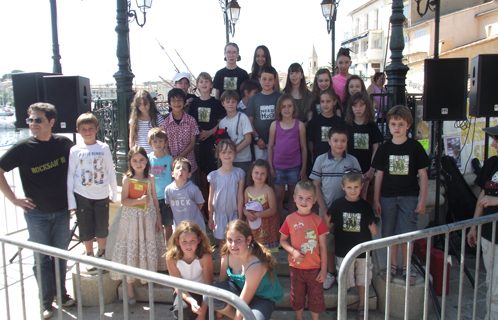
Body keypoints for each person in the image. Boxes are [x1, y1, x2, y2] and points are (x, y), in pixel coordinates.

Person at [0, 102, 75, 318]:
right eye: (30, 120)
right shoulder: (22, 148)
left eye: (38, 119)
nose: (33, 123)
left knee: (60, 256)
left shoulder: (64, 144)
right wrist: (14, 199)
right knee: (42, 259)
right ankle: (45, 302)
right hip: (36, 214)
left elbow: (81, 166)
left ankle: (62, 295)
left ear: (51, 122)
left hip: (62, 212)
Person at [372, 105, 430, 285]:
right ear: (388, 125)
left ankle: (406, 266)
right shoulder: (384, 148)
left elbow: (423, 174)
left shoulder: (415, 147)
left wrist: (422, 200)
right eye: (393, 124)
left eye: (401, 124)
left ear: (408, 126)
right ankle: (392, 264)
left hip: (409, 197)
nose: (396, 128)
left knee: (407, 233)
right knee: (389, 233)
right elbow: (379, 175)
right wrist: (376, 199)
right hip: (388, 197)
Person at [110, 146, 166, 305]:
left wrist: (158, 218)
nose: (139, 163)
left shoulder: (151, 178)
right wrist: (138, 201)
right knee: (132, 249)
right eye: (135, 160)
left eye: (141, 159)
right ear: (130, 162)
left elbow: (154, 198)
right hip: (132, 219)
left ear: (146, 160)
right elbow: (125, 201)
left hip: (148, 217)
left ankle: (146, 280)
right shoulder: (127, 178)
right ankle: (129, 287)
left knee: (146, 247)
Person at [309, 125, 361, 290]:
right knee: (329, 242)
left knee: (348, 241)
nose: (339, 144)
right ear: (329, 141)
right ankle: (330, 272)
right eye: (336, 140)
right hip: (328, 209)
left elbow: (359, 183)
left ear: (347, 142)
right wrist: (324, 209)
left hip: (349, 210)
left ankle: (346, 274)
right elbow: (316, 185)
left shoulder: (352, 161)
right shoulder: (321, 160)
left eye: (343, 141)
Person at [67, 112, 118, 269]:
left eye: (90, 128)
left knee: (102, 227)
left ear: (96, 129)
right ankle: (89, 255)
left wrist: (114, 192)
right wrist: (71, 201)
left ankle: (101, 254)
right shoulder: (75, 150)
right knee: (86, 227)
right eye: (83, 129)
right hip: (82, 195)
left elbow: (110, 171)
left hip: (101, 195)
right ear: (78, 130)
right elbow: (70, 174)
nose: (87, 132)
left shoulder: (103, 148)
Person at [205, 220, 284, 320]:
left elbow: (244, 301)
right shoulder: (226, 254)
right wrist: (219, 316)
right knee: (209, 295)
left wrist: (238, 318)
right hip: (238, 291)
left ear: (248, 240)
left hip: (261, 298)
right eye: (229, 240)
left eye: (238, 239)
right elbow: (222, 283)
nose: (233, 245)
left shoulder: (255, 264)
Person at [327, 170, 378, 320]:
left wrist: (373, 227)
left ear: (362, 186)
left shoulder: (365, 206)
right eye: (349, 187)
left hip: (363, 252)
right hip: (343, 251)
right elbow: (328, 223)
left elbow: (373, 229)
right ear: (343, 187)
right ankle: (342, 306)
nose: (353, 190)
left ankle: (362, 306)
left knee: (363, 280)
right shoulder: (338, 204)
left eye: (356, 187)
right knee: (344, 280)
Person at [280, 180, 328, 320]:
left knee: (316, 297)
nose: (304, 201)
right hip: (296, 267)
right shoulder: (289, 219)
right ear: (294, 198)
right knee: (297, 297)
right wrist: (292, 251)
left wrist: (324, 270)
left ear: (314, 200)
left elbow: (323, 246)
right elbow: (282, 240)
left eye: (308, 198)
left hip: (315, 268)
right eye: (300, 197)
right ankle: (299, 318)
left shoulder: (318, 221)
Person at [467, 123, 498, 320]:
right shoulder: (492, 162)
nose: (494, 143)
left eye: (497, 139)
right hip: (488, 232)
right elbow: (483, 195)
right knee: (491, 281)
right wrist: (473, 226)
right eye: (495, 139)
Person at [268, 94, 307, 219]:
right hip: (278, 166)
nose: (286, 109)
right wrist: (271, 167)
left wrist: (303, 168)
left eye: (289, 106)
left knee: (293, 196)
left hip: (294, 166)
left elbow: (304, 148)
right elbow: (270, 147)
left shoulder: (299, 125)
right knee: (278, 196)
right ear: (279, 109)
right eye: (283, 106)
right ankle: (277, 223)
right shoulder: (275, 125)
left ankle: (291, 223)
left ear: (294, 108)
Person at [166, 220, 214, 320]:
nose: (188, 245)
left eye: (192, 241)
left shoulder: (205, 257)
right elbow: (178, 286)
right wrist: (191, 300)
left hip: (202, 292)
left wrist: (201, 316)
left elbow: (208, 286)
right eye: (184, 241)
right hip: (183, 291)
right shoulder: (171, 258)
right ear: (177, 241)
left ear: (199, 240)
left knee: (203, 313)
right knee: (182, 310)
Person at [345, 92, 383, 201]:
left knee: (363, 194)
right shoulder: (347, 126)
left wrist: (372, 169)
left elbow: (376, 148)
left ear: (367, 106)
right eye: (355, 105)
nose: (358, 108)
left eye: (361, 105)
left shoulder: (371, 126)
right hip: (351, 167)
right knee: (350, 194)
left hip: (367, 167)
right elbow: (345, 148)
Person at [208, 139, 245, 247]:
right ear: (218, 154)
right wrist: (210, 217)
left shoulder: (239, 173)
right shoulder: (213, 175)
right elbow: (211, 198)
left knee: (236, 242)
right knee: (223, 243)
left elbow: (240, 196)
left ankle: (234, 264)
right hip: (219, 215)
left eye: (230, 151)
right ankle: (224, 264)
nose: (227, 155)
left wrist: (240, 217)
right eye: (223, 152)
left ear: (235, 153)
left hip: (234, 213)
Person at [189, 72, 226, 176]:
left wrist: (210, 132)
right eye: (201, 82)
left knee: (213, 168)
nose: (204, 84)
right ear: (197, 85)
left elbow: (221, 121)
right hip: (198, 142)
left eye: (206, 81)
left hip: (213, 141)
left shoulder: (216, 103)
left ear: (211, 85)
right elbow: (191, 121)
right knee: (200, 170)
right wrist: (198, 133)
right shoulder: (194, 103)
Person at [162, 88, 200, 181]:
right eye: (174, 101)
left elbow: (192, 143)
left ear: (184, 102)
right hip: (172, 166)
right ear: (169, 103)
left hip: (188, 164)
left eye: (179, 100)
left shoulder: (191, 120)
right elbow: (165, 145)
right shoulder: (165, 123)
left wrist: (179, 157)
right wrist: (172, 160)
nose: (177, 103)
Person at [247, 66, 282, 161]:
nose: (267, 82)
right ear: (259, 80)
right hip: (259, 143)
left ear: (275, 80)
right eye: (264, 79)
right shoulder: (254, 99)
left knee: (276, 169)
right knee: (261, 170)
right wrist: (257, 138)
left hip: (278, 142)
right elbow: (250, 122)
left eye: (270, 79)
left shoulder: (280, 97)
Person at [244, 160, 279, 251]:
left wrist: (257, 215)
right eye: (256, 173)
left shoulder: (268, 190)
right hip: (253, 225)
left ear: (267, 175)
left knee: (266, 253)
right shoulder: (247, 190)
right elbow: (244, 207)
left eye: (262, 173)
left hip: (266, 227)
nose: (259, 176)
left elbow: (272, 210)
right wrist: (247, 213)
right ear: (251, 174)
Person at [147, 127, 174, 245]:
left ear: (165, 142)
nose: (158, 144)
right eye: (155, 141)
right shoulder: (147, 159)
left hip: (167, 198)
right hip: (153, 197)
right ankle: (155, 247)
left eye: (160, 141)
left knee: (168, 225)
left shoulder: (170, 159)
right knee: (153, 224)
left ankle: (168, 248)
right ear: (150, 143)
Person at [165, 158, 206, 231]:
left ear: (189, 175)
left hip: (195, 227)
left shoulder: (193, 189)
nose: (180, 170)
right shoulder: (168, 190)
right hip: (178, 228)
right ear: (172, 174)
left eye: (184, 169)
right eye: (177, 168)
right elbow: (168, 205)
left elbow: (200, 204)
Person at [219, 90, 253, 172]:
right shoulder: (222, 122)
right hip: (227, 161)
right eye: (228, 102)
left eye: (233, 101)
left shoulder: (243, 117)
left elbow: (248, 139)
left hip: (242, 160)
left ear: (237, 103)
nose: (230, 104)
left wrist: (234, 152)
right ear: (223, 103)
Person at [307, 89, 345, 163]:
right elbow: (310, 141)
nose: (325, 104)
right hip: (319, 159)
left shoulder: (339, 122)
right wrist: (315, 154)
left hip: (336, 159)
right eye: (322, 101)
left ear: (335, 102)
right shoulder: (314, 121)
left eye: (328, 101)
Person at [129, 90, 164, 154]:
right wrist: (133, 153)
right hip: (140, 153)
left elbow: (163, 137)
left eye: (145, 103)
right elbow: (132, 138)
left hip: (155, 153)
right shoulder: (134, 119)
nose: (143, 106)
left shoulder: (157, 118)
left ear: (150, 102)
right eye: (140, 104)